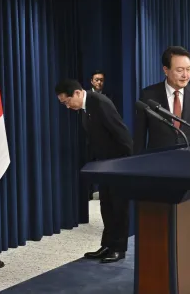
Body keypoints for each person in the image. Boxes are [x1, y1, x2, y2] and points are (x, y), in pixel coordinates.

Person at [133, 46, 190, 269]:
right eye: (179, 70)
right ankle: (161, 265)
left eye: (188, 69)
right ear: (165, 70)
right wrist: (137, 169)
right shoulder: (149, 95)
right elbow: (140, 137)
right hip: (160, 172)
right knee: (161, 220)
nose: (185, 75)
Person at [55, 78, 133, 263]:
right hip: (104, 165)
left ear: (77, 93)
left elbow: (121, 133)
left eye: (66, 102)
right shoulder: (86, 108)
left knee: (119, 207)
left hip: (119, 163)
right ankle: (107, 245)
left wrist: (129, 163)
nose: (67, 106)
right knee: (106, 205)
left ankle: (119, 248)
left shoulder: (99, 102)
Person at [83, 70, 106, 200]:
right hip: (88, 138)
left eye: (101, 80)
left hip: (103, 139)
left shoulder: (108, 97)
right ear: (92, 81)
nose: (99, 82)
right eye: (97, 79)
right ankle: (89, 192)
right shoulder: (86, 96)